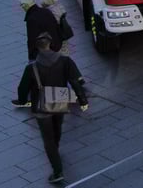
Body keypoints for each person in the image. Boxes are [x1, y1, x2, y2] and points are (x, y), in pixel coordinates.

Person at [16, 33, 89, 184]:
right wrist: (82, 101)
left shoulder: (32, 67)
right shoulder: (64, 60)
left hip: (41, 105)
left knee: (47, 139)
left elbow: (22, 88)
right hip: (60, 98)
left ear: (37, 48)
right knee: (57, 127)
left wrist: (23, 100)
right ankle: (55, 148)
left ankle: (57, 171)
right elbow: (74, 81)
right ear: (50, 44)